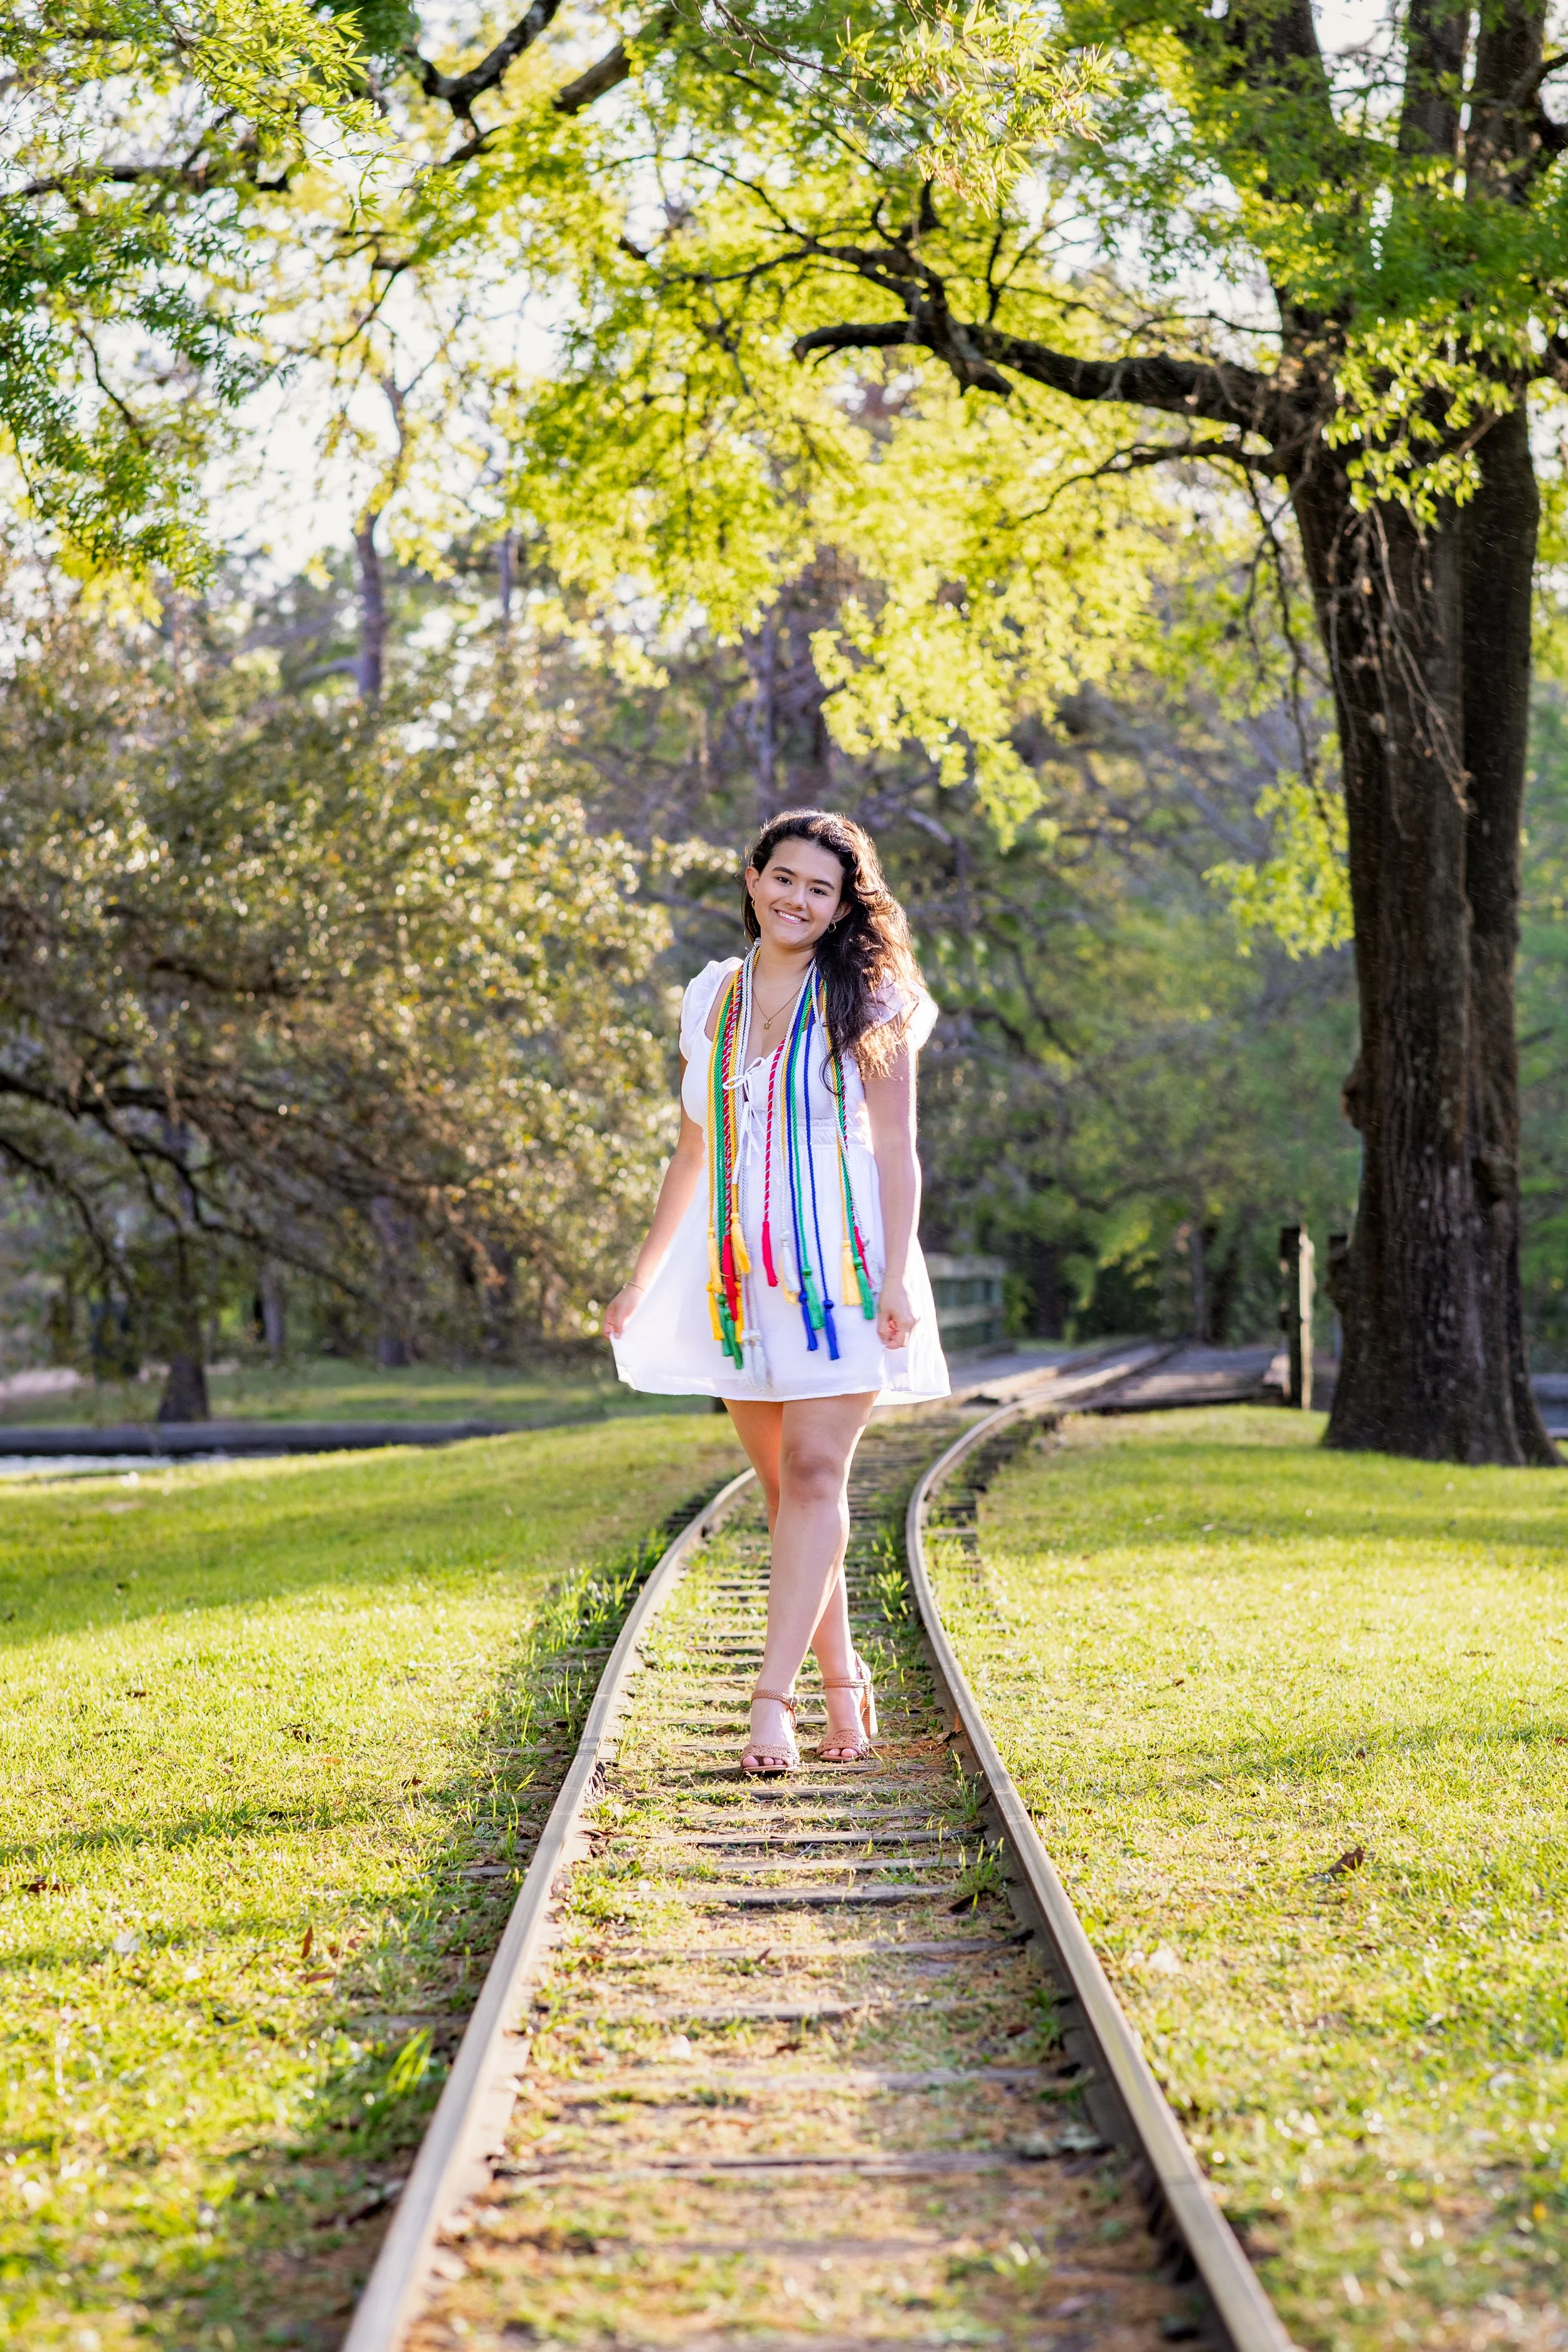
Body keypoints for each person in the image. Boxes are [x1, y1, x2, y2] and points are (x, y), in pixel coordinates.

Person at [603, 808, 950, 1774]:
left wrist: (893, 1276)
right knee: (782, 1488)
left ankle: (771, 1704)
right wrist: (640, 1277)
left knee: (814, 1475)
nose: (798, 899)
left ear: (844, 908)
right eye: (785, 878)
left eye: (821, 889)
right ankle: (846, 1687)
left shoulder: (869, 996)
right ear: (752, 879)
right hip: (739, 1273)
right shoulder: (713, 993)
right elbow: (694, 1146)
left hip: (842, 1264)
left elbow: (896, 1148)